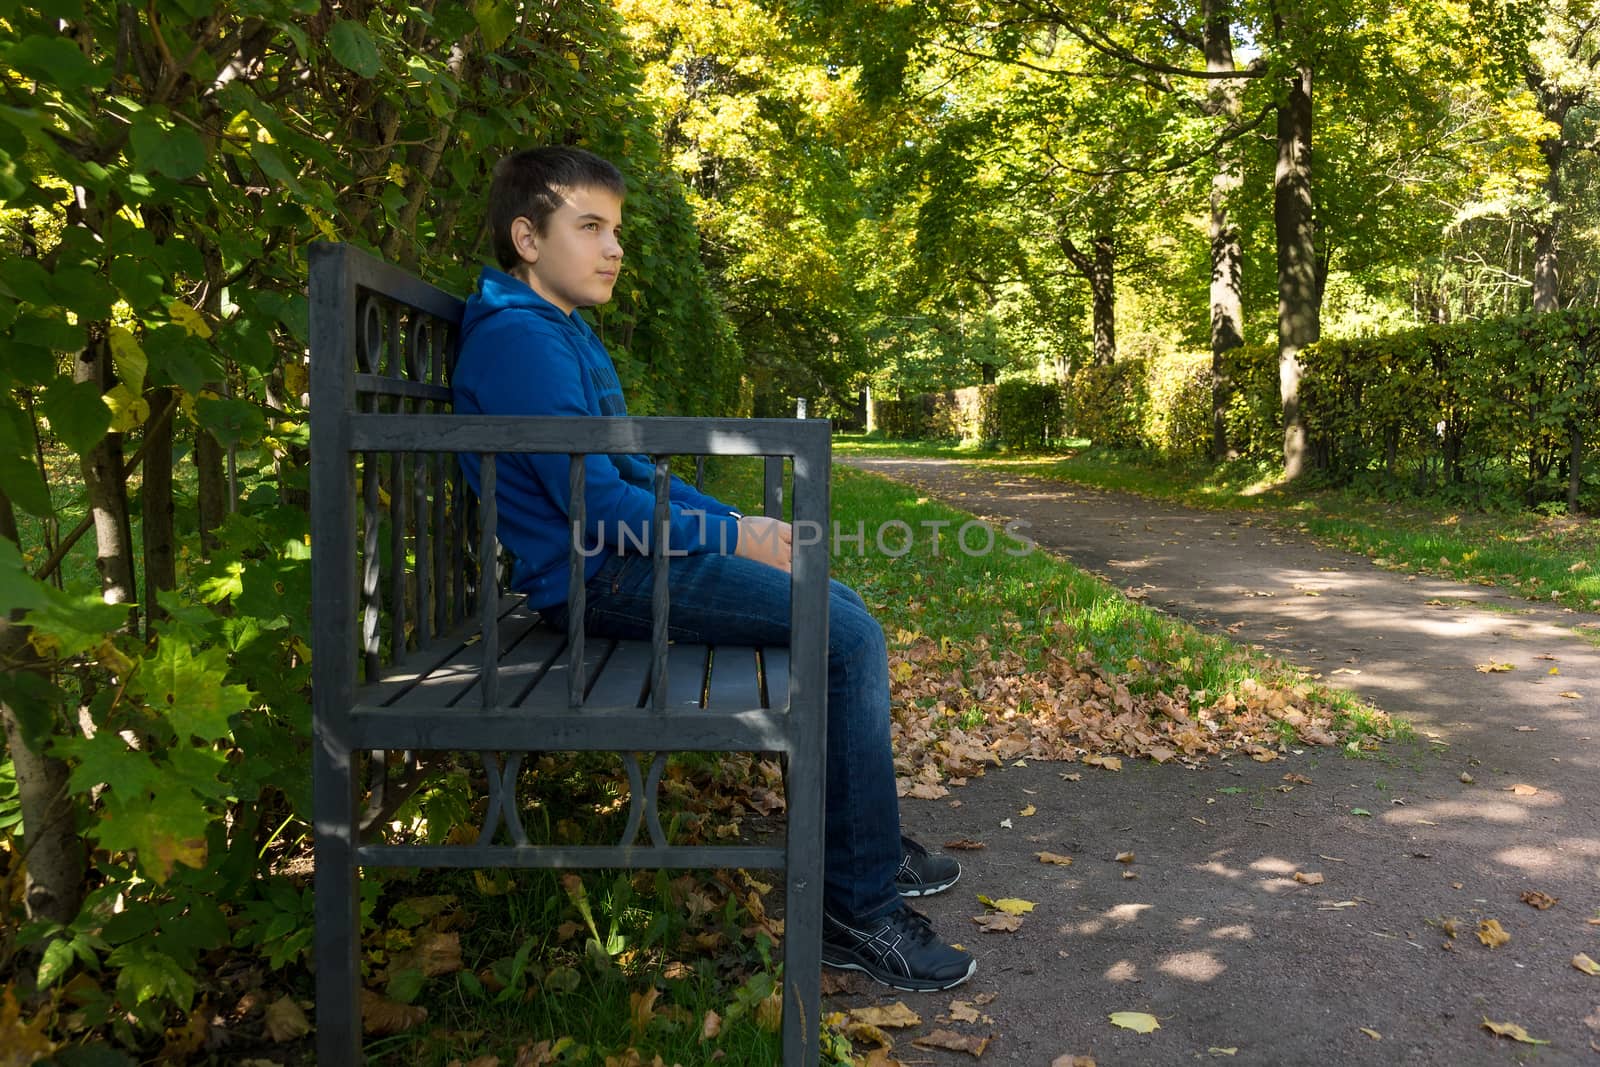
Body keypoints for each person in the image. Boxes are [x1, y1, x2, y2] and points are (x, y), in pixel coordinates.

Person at [451, 145, 975, 992]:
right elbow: (601, 508)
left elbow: (630, 476)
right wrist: (733, 542)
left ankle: (860, 849)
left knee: (835, 608)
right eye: (590, 227)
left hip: (610, 566)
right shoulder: (522, 341)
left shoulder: (557, 330)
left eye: (615, 230)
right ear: (528, 235)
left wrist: (739, 521)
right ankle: (858, 909)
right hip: (594, 582)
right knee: (844, 635)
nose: (613, 248)